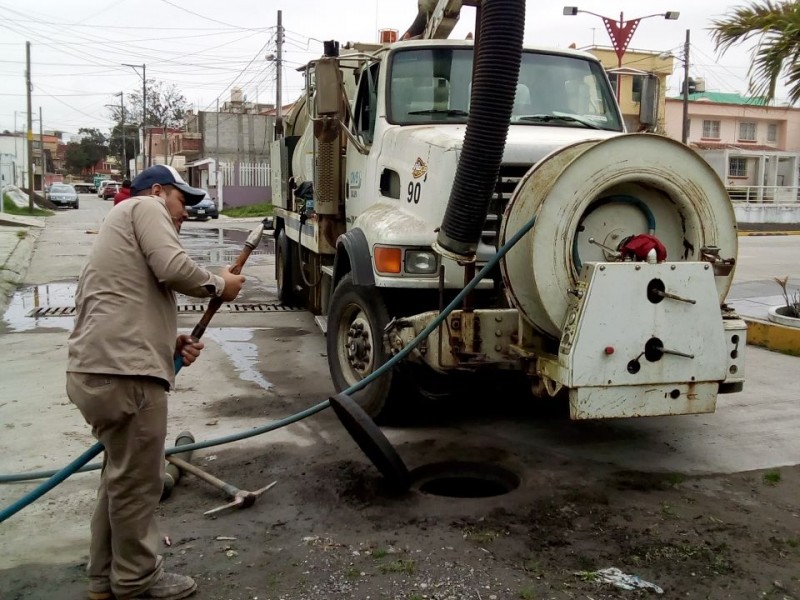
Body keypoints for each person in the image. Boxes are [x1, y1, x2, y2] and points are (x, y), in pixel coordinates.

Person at [67, 164, 246, 600]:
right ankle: (135, 579)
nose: (185, 213)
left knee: (119, 478)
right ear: (160, 191)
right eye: (182, 202)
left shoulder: (122, 228)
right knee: (138, 484)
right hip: (124, 375)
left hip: (102, 369)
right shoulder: (144, 207)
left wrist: (170, 343)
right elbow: (173, 267)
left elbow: (129, 302)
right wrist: (219, 285)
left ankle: (104, 579)